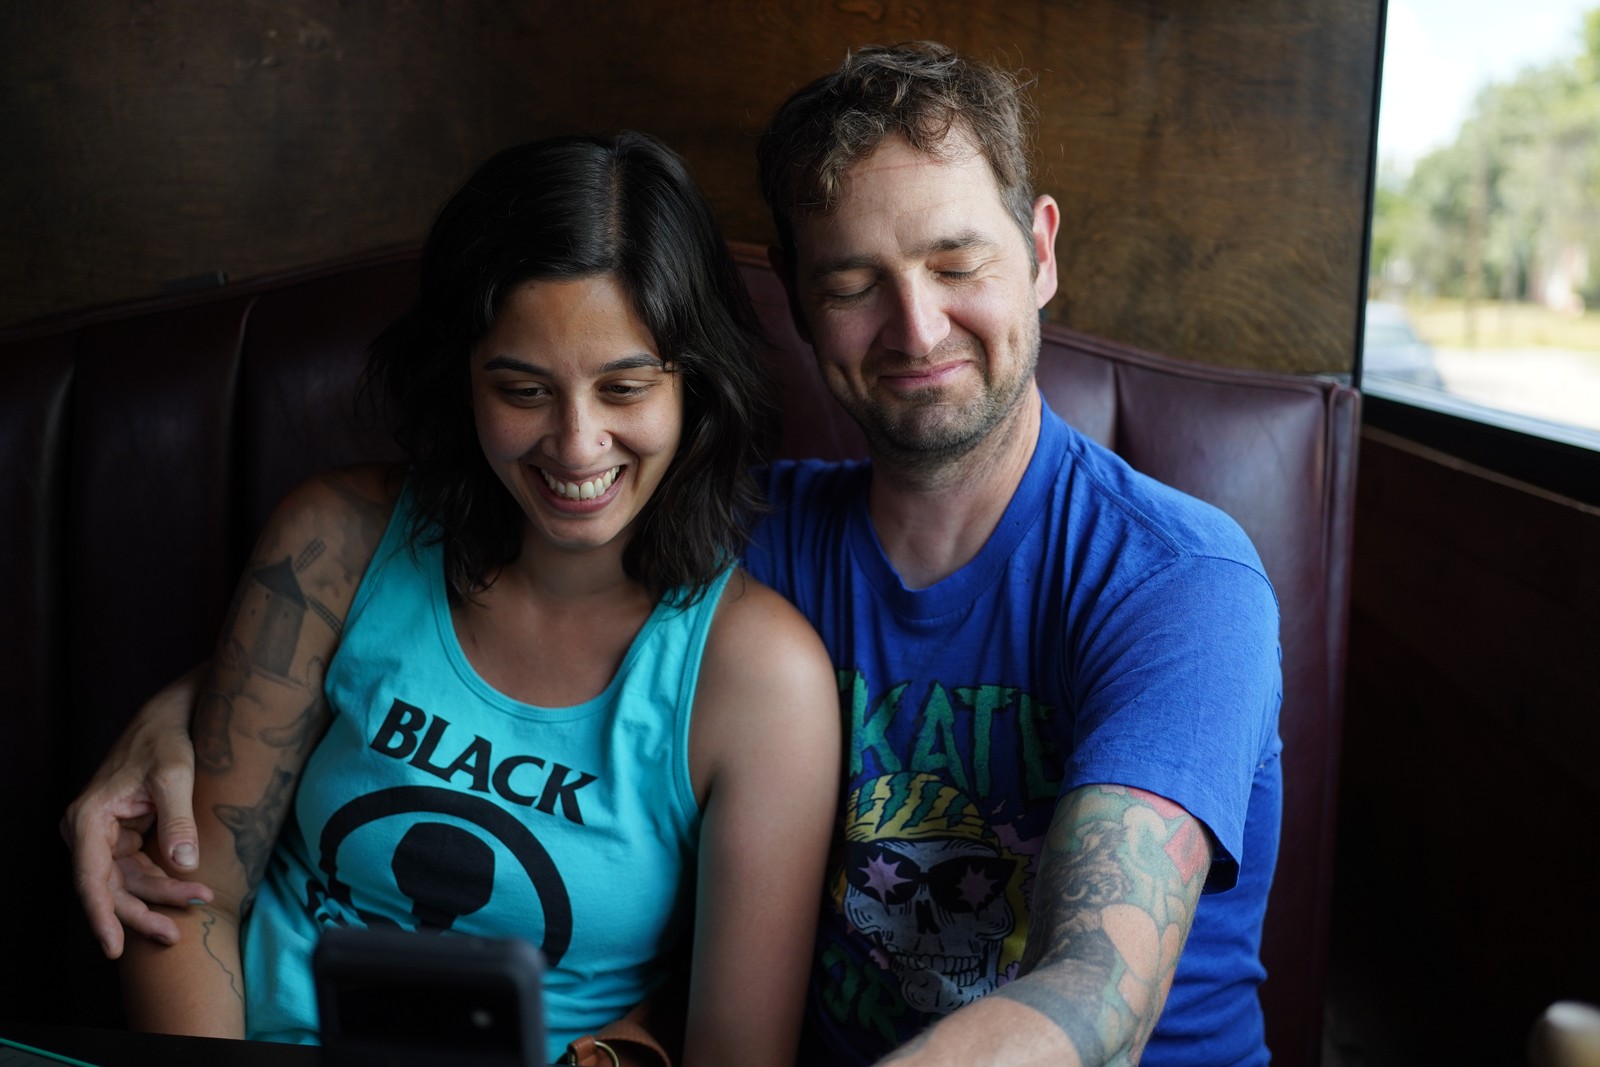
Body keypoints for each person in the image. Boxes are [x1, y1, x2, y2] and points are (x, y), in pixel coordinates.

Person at [65, 42, 1283, 1067]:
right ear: (798, 306)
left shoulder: (1175, 580)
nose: (916, 326)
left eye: (957, 263)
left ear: (1041, 250)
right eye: (854, 282)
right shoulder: (737, 532)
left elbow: (1098, 984)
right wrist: (185, 714)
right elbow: (449, 603)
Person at [101, 132, 840, 1067]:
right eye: (524, 390)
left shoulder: (762, 677)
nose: (576, 444)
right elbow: (192, 892)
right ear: (463, 377)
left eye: (624, 388)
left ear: (695, 385)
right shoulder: (336, 541)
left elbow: (735, 1055)